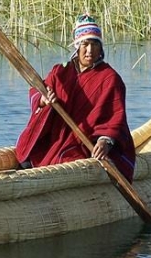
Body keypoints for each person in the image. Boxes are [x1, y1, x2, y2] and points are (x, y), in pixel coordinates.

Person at [16, 14, 136, 182]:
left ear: (101, 48)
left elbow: (115, 119)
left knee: (69, 161)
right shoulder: (60, 72)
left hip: (84, 144)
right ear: (77, 46)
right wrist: (44, 100)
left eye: (95, 44)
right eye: (85, 44)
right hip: (56, 138)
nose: (89, 51)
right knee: (28, 154)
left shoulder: (110, 78)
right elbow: (37, 92)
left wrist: (105, 142)